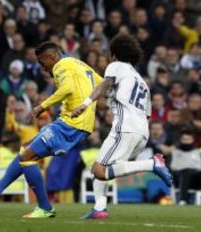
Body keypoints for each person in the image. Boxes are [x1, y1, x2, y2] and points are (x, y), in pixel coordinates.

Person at [0, 41, 102, 218]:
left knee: (27, 156)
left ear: (53, 56)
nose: (43, 68)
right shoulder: (78, 63)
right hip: (73, 123)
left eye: (43, 62)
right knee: (26, 150)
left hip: (71, 124)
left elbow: (67, 88)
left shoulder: (60, 65)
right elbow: (102, 84)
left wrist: (41, 106)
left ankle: (45, 207)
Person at [71, 34, 172, 219]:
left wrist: (85, 103)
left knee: (99, 170)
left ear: (114, 54)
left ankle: (152, 164)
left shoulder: (116, 66)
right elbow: (146, 112)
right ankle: (99, 209)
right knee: (103, 166)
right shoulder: (141, 81)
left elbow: (105, 84)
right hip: (141, 132)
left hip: (125, 128)